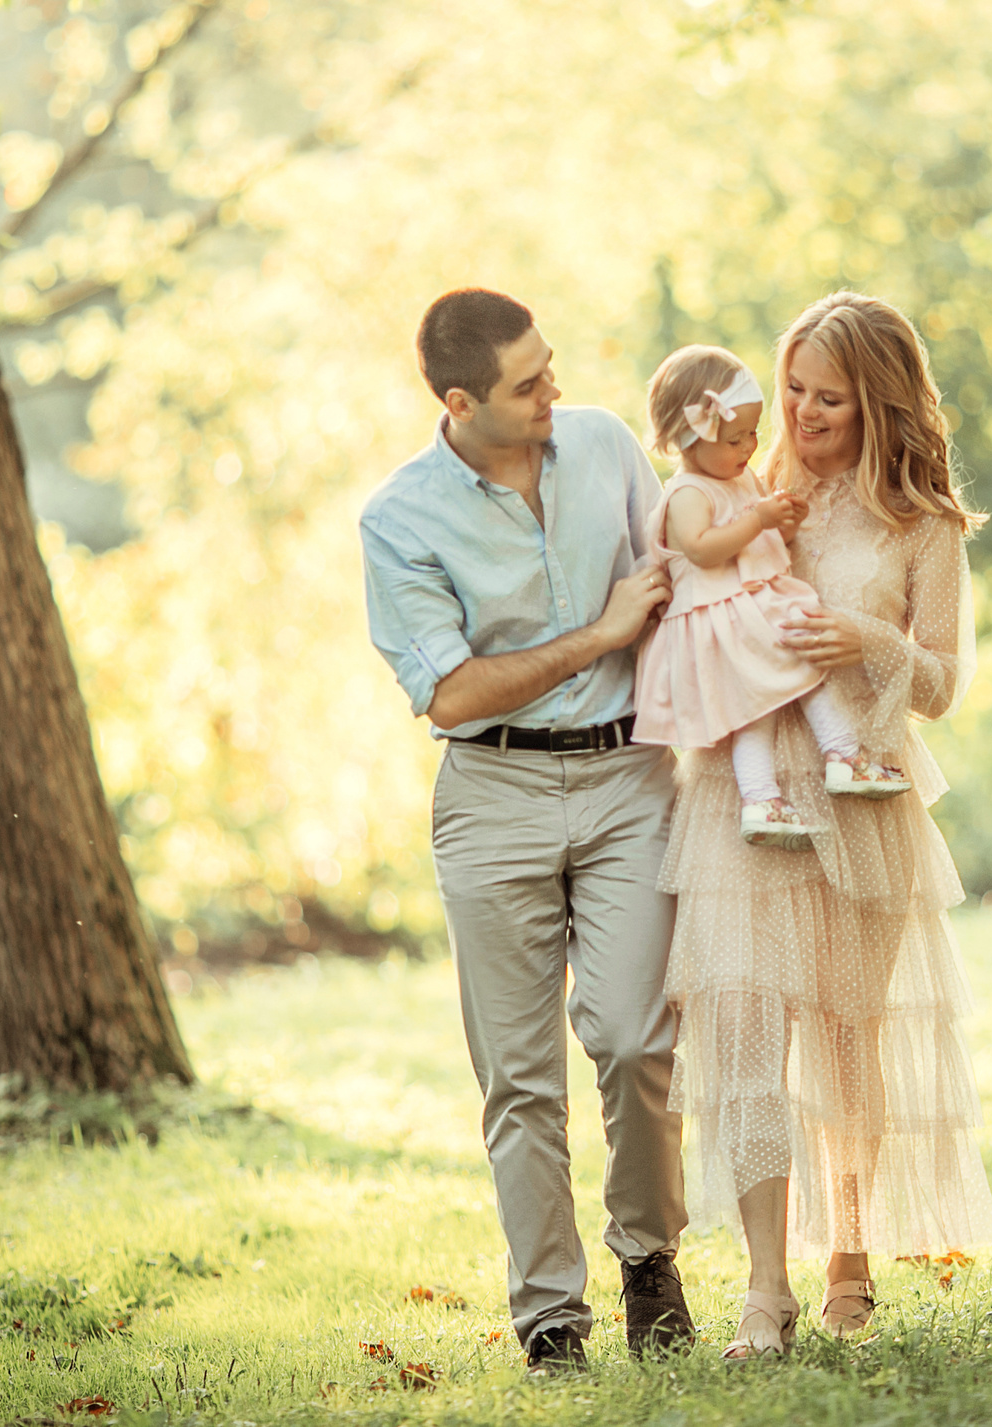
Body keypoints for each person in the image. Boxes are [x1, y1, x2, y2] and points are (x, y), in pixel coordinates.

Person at [657, 292, 992, 1360]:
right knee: (748, 1030)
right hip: (741, 793)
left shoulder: (923, 523)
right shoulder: (744, 490)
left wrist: (862, 638)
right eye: (793, 389)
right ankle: (765, 1290)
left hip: (863, 791)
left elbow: (942, 680)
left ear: (880, 403)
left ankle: (846, 1249)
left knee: (850, 1039)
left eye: (830, 399)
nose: (803, 415)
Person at [357, 288, 694, 1371]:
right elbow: (451, 695)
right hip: (491, 796)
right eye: (527, 384)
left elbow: (679, 579)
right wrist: (594, 633)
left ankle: (649, 1259)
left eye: (550, 368)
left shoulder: (601, 445)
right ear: (460, 403)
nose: (555, 393)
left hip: (627, 774)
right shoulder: (398, 518)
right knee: (519, 1076)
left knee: (638, 1039)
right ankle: (552, 1316)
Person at [630, 344, 912, 851]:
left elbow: (752, 546)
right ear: (691, 437)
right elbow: (702, 550)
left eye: (753, 434)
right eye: (735, 438)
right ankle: (835, 760)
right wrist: (756, 519)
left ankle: (768, 798)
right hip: (722, 617)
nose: (749, 446)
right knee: (795, 674)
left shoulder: (738, 478)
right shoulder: (689, 492)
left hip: (748, 605)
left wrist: (779, 526)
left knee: (765, 702)